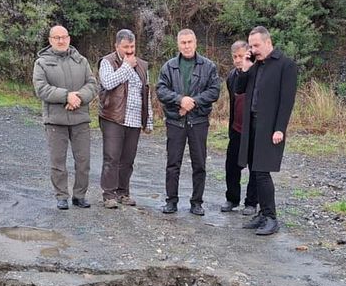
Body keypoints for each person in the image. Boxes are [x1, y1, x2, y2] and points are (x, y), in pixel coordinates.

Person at [233, 26, 298, 236]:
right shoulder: (255, 65)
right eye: (251, 46)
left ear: (268, 42)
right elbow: (239, 89)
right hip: (251, 126)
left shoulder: (285, 65)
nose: (253, 49)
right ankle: (262, 214)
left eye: (256, 45)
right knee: (254, 170)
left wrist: (280, 128)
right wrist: (246, 66)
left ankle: (271, 217)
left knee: (262, 172)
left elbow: (287, 101)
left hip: (269, 128)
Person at [33, 25, 99, 210]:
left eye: (64, 37)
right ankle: (61, 196)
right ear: (50, 40)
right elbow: (41, 88)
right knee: (58, 162)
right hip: (55, 121)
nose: (61, 41)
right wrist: (66, 96)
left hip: (80, 119)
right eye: (57, 38)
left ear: (69, 38)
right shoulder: (42, 63)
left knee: (84, 161)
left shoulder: (81, 61)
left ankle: (79, 196)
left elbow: (92, 84)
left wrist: (78, 97)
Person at [156, 29, 220, 215]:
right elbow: (161, 90)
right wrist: (179, 100)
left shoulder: (208, 66)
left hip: (198, 121)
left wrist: (193, 102)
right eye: (183, 42)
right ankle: (171, 201)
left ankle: (196, 202)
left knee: (199, 164)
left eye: (189, 42)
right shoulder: (169, 66)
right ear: (178, 44)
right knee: (173, 163)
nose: (186, 46)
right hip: (175, 122)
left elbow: (214, 91)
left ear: (195, 42)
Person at [98, 30, 152, 209]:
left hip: (135, 120)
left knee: (128, 159)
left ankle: (123, 192)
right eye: (125, 47)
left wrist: (148, 120)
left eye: (132, 46)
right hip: (113, 117)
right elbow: (108, 83)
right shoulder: (107, 62)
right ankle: (109, 195)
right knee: (111, 157)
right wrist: (127, 66)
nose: (129, 51)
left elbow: (146, 93)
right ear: (116, 46)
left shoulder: (143, 65)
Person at [222, 40, 257, 214]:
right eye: (235, 57)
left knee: (255, 167)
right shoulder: (231, 77)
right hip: (236, 128)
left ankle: (251, 203)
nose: (238, 60)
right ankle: (232, 199)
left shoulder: (257, 73)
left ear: (248, 54)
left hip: (254, 130)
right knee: (231, 166)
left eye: (241, 56)